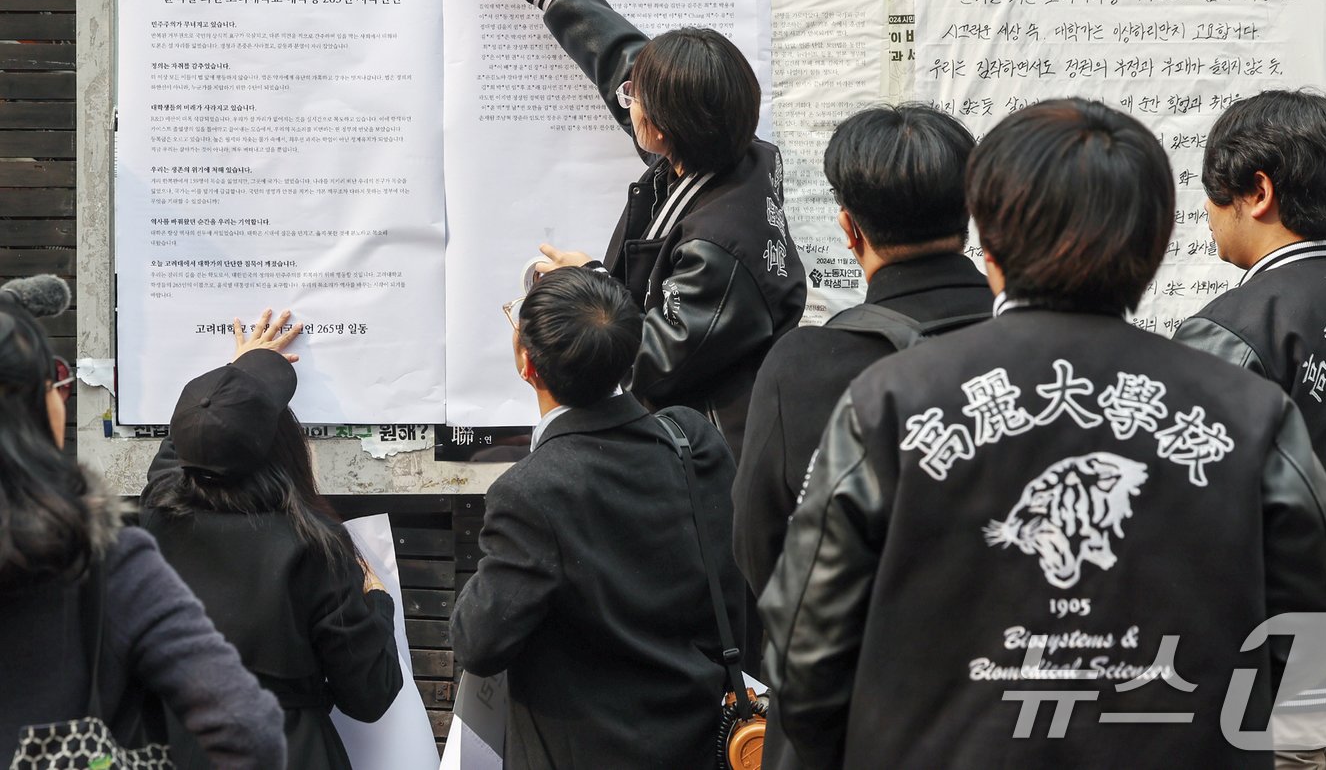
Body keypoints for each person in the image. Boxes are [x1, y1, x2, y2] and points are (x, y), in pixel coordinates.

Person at [760, 99, 1326, 770]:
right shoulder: (1247, 414)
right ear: (1155, 244)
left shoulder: (890, 404)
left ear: (985, 240)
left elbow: (802, 654)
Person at [457, 0, 807, 462]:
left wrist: (589, 283)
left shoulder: (719, 247)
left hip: (713, 453)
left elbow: (658, 357)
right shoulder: (722, 148)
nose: (627, 97)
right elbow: (620, 57)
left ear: (660, 129)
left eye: (635, 100)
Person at [1174, 89, 1326, 769]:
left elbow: (1195, 519)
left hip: (1301, 675)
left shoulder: (1231, 331)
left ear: (1258, 191)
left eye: (1214, 194)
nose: (1208, 217)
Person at [450, 267, 745, 769]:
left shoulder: (530, 492)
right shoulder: (688, 439)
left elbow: (477, 641)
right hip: (703, 741)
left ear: (528, 366)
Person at [0, 276, 286, 770]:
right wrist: (242, 379)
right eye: (57, 379)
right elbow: (248, 729)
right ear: (35, 406)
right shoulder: (104, 560)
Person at [733, 102, 991, 596]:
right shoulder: (1043, 343)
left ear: (850, 229)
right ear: (970, 213)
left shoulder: (801, 366)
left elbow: (758, 548)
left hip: (873, 662)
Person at [141, 308, 402, 770]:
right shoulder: (315, 545)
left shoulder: (159, 513)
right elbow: (370, 695)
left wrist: (236, 376)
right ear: (285, 445)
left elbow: (187, 445)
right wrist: (377, 599)